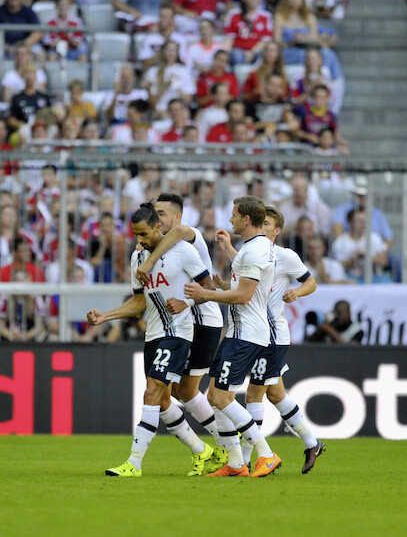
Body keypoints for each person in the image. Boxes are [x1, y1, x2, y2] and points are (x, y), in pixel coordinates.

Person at [87, 202, 223, 477]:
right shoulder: (137, 259)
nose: (140, 240)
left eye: (144, 234)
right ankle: (202, 451)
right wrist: (107, 316)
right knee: (161, 401)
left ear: (158, 227)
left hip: (177, 334)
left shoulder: (183, 251)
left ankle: (134, 463)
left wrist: (186, 301)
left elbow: (208, 287)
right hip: (154, 334)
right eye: (136, 235)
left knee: (152, 391)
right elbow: (139, 303)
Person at [214, 205, 324, 473]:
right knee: (275, 393)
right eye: (260, 223)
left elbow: (311, 282)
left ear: (276, 230)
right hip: (258, 331)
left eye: (267, 225)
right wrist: (229, 252)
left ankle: (251, 458)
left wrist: (297, 292)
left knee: (253, 394)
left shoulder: (285, 256)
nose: (262, 228)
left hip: (272, 335)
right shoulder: (256, 253)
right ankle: (311, 442)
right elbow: (247, 281)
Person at [184, 195, 282, 478]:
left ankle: (266, 454)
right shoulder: (254, 248)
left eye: (234, 215)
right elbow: (246, 282)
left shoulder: (255, 250)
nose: (230, 219)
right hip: (240, 331)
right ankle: (236, 464)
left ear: (246, 219)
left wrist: (207, 294)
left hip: (246, 333)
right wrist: (227, 249)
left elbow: (243, 295)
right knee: (214, 395)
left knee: (224, 397)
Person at [132, 194, 227, 466]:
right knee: (167, 393)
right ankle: (211, 448)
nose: (158, 218)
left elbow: (182, 233)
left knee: (181, 391)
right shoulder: (146, 250)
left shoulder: (188, 237)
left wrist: (149, 262)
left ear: (176, 218)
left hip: (203, 318)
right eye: (155, 214)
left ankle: (226, 445)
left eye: (162, 213)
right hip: (180, 321)